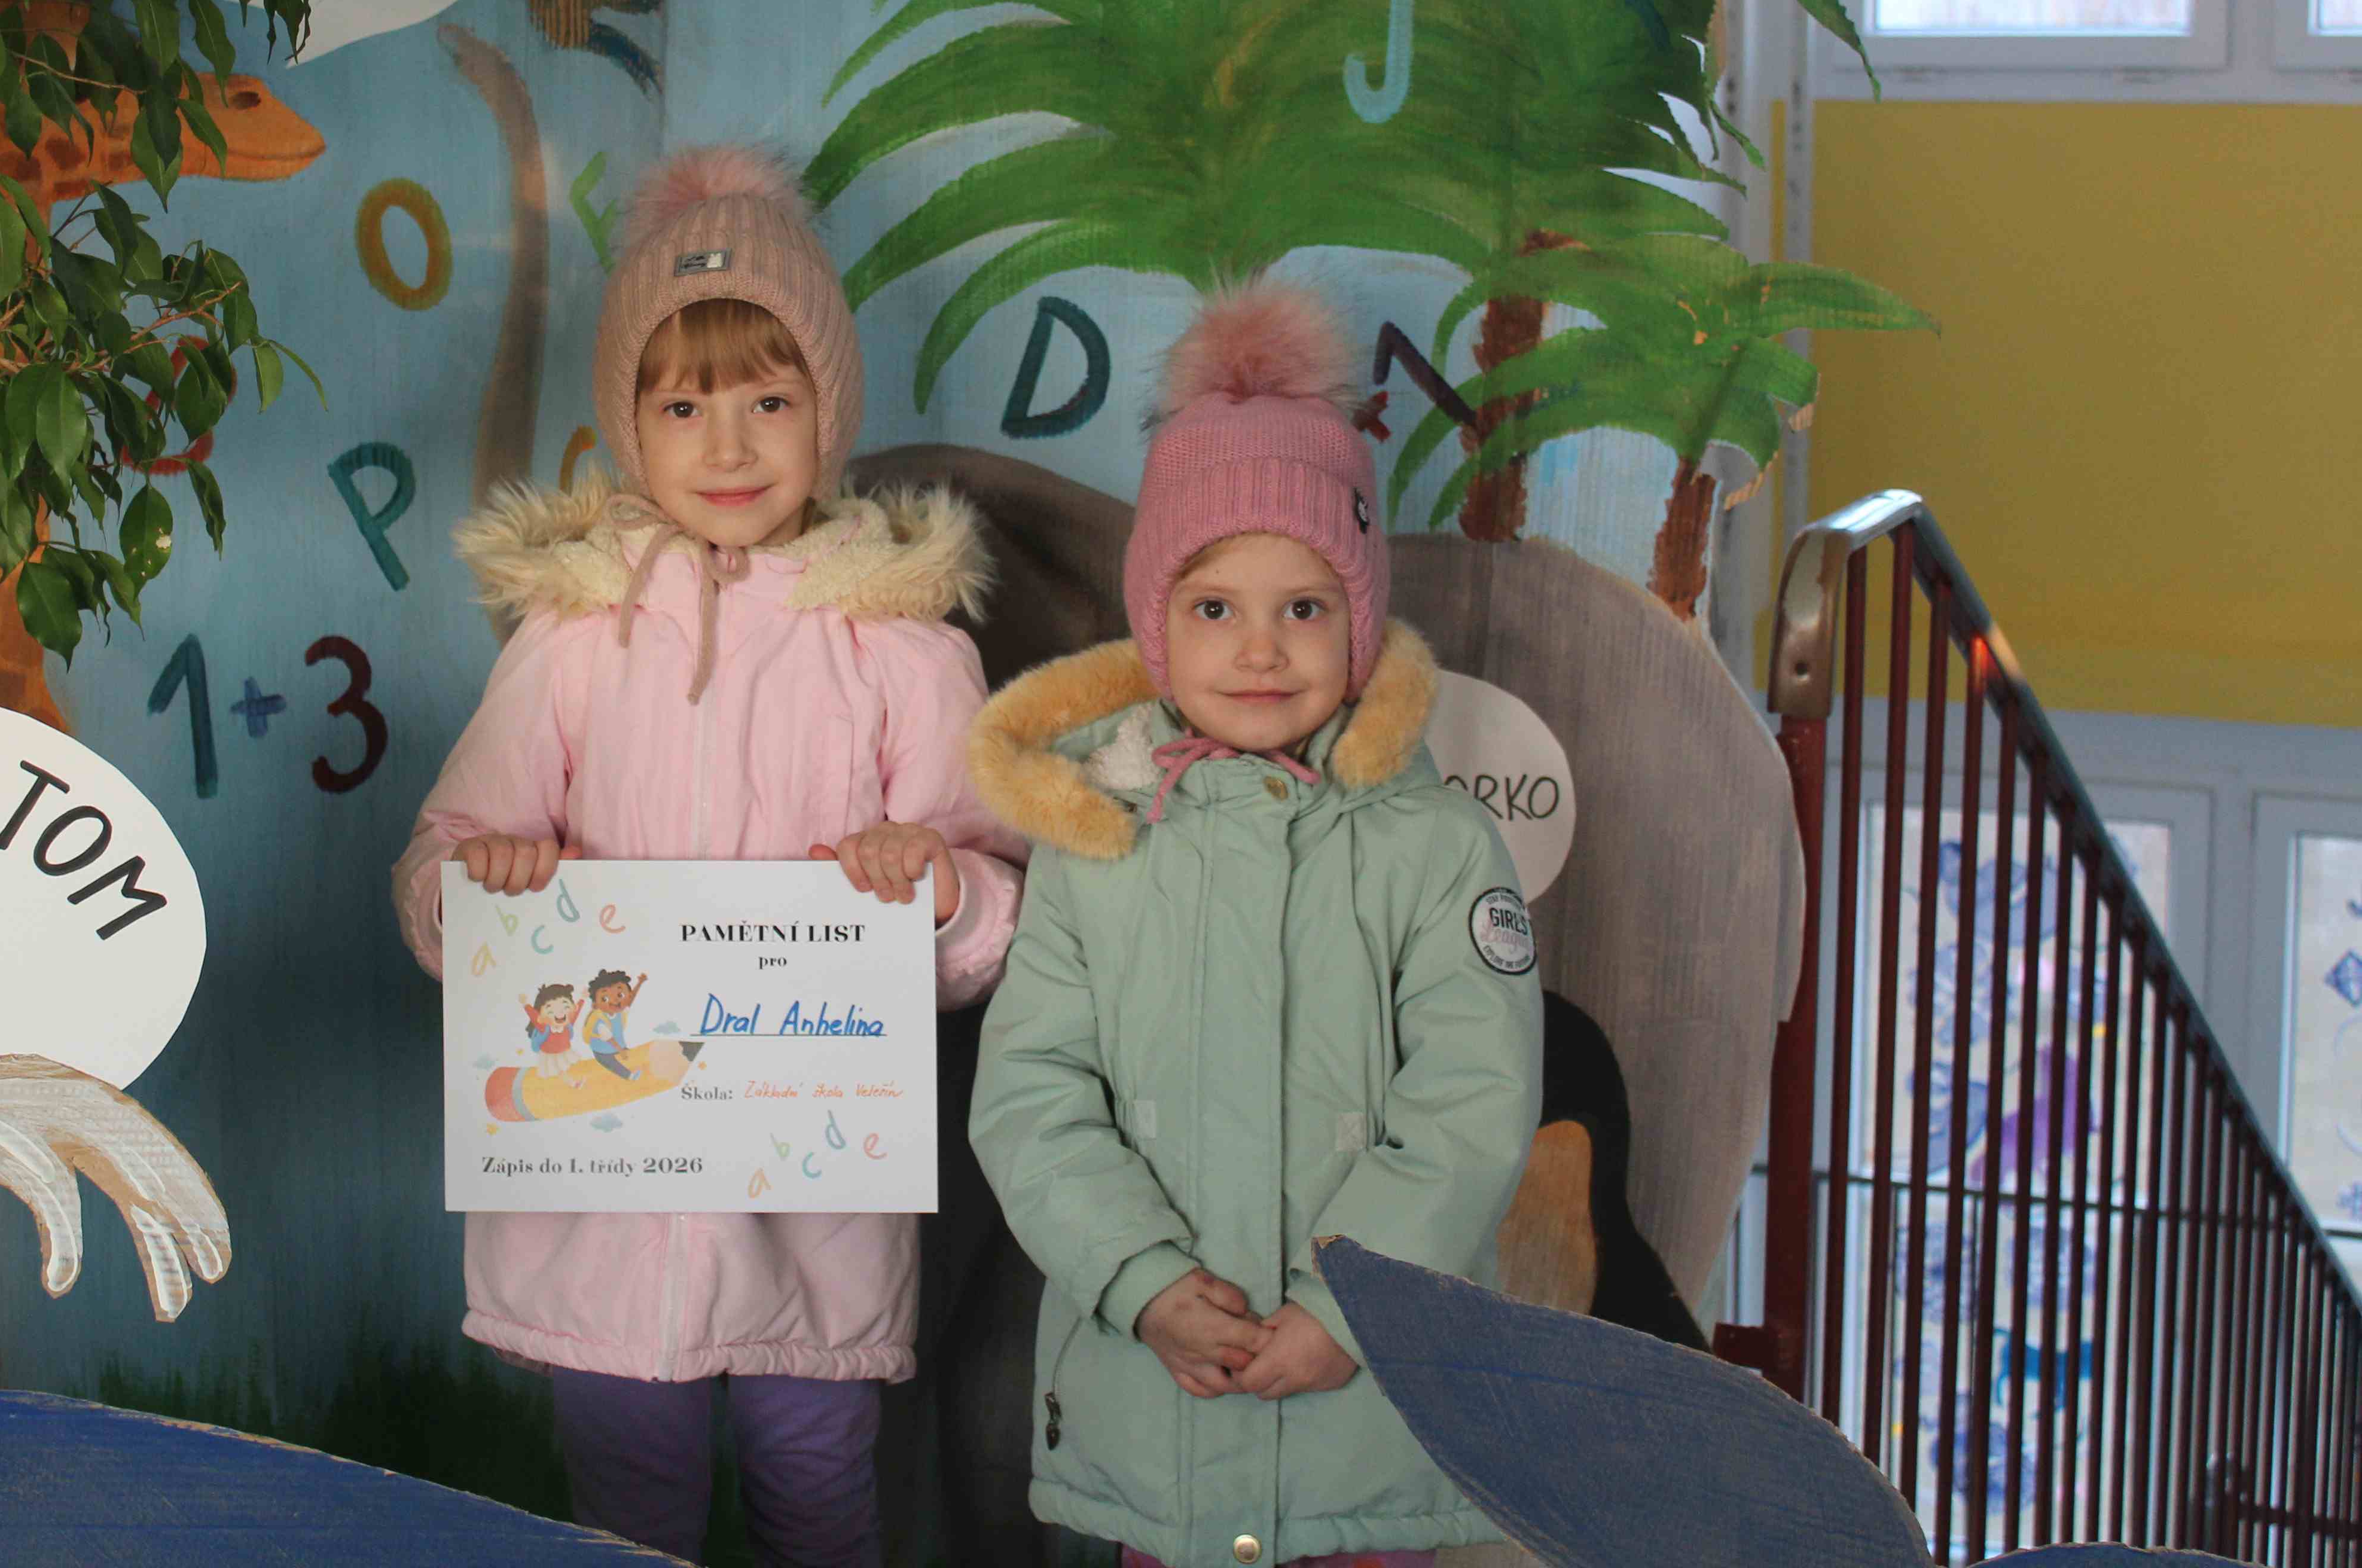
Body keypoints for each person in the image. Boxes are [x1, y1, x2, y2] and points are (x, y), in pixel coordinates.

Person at [390, 147, 1025, 1568]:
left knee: (819, 1491)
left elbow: (993, 911)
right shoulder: (571, 638)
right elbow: (441, 866)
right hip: (603, 1217)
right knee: (628, 1514)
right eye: (683, 406)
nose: (728, 446)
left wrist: (934, 888)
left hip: (815, 1210)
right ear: (630, 423)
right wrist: (481, 887)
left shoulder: (903, 647)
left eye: (768, 401)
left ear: (828, 411)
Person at [964, 280, 1544, 1568]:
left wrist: (1353, 1311)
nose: (1262, 650)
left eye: (1306, 607)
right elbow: (1032, 1097)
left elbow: (1470, 1101)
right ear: (1157, 627)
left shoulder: (1435, 846)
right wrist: (1141, 1281)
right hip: (1158, 1405)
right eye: (1215, 607)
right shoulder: (1095, 840)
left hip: (1369, 1420)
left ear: (1360, 621)